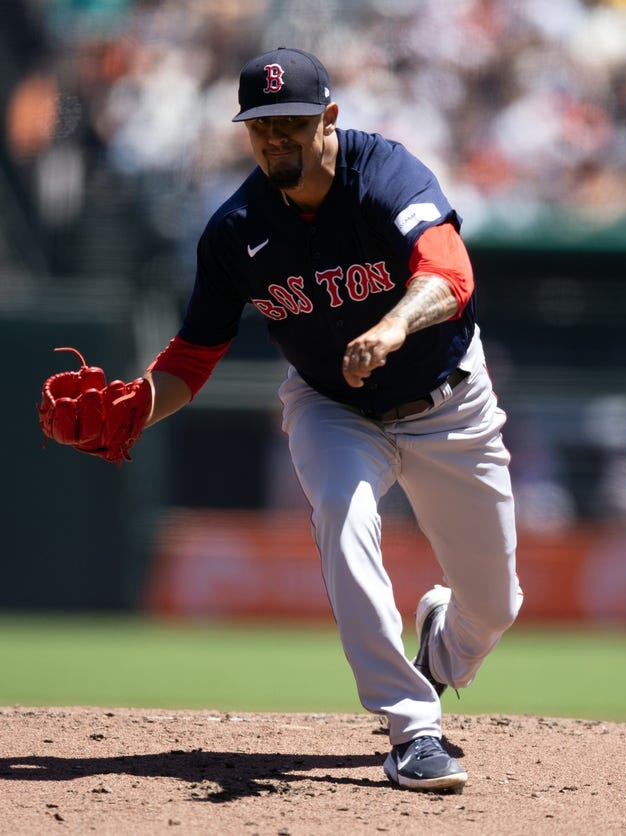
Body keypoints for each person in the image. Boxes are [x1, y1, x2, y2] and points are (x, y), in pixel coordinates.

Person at [41, 47, 523, 793]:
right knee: (340, 508)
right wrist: (141, 403)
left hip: (447, 403)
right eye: (260, 126)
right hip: (333, 407)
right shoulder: (236, 228)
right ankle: (411, 726)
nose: (275, 139)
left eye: (292, 122)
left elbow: (450, 271)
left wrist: (393, 328)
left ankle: (442, 643)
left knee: (494, 606)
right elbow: (194, 354)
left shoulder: (385, 177)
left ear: (328, 119)